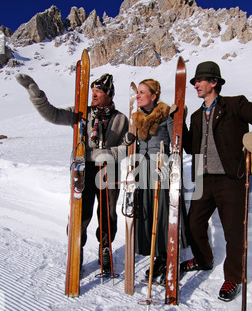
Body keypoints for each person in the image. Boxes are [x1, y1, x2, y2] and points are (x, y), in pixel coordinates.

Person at [182, 61, 252, 301]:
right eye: (194, 81)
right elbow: (189, 148)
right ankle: (204, 259)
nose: (195, 84)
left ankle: (233, 278)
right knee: (193, 223)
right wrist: (180, 125)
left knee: (233, 232)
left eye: (200, 80)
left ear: (213, 82)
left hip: (230, 178)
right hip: (203, 180)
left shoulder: (235, 104)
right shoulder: (195, 116)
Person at [16, 73, 128, 271]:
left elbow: (127, 147)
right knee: (80, 213)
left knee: (108, 213)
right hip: (82, 169)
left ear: (109, 95)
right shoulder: (82, 114)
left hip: (108, 170)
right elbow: (53, 114)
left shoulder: (120, 119)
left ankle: (105, 249)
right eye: (93, 90)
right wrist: (35, 93)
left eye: (99, 91)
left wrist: (105, 154)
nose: (94, 94)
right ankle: (76, 249)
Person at [132, 78, 187, 284]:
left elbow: (177, 142)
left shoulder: (166, 116)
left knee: (164, 213)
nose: (137, 95)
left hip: (162, 172)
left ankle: (169, 257)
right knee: (150, 214)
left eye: (142, 92)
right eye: (137, 92)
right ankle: (158, 256)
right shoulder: (136, 119)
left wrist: (180, 116)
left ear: (154, 96)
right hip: (143, 173)